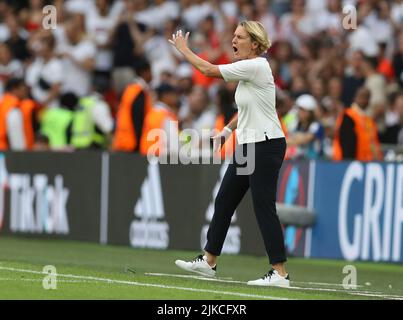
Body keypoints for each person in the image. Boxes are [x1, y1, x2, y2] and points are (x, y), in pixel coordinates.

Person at [170, 21, 289, 287]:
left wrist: (184, 50)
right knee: (224, 200)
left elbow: (208, 69)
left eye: (240, 37)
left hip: (266, 145)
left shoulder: (256, 65)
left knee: (263, 207)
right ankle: (209, 261)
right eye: (233, 36)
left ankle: (280, 273)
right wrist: (226, 130)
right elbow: (247, 109)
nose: (233, 41)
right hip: (248, 145)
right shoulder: (249, 71)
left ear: (255, 44)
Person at [333, 87, 383, 161]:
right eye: (361, 96)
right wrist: (348, 162)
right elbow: (346, 143)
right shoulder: (348, 116)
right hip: (350, 162)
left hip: (367, 163)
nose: (363, 100)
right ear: (355, 97)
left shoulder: (369, 120)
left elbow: (373, 143)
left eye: (366, 97)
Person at [286, 94, 325, 159]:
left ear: (310, 112)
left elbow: (306, 139)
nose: (299, 112)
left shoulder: (316, 125)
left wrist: (296, 138)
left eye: (302, 110)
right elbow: (288, 140)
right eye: (299, 109)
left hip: (317, 162)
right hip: (300, 162)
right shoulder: (296, 125)